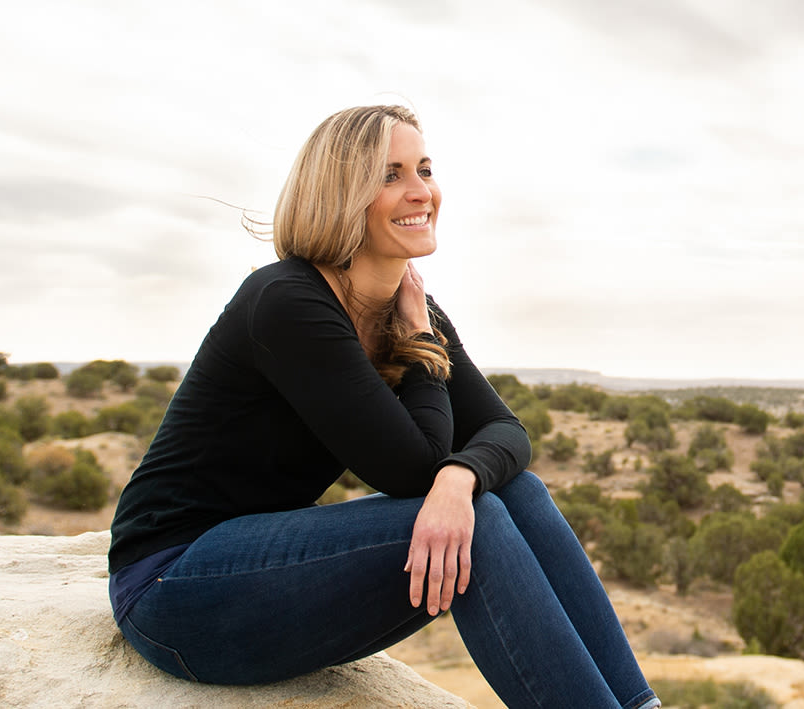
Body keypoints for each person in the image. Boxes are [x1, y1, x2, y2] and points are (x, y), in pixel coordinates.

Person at [107, 105, 657, 709]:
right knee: (483, 522)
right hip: (173, 584)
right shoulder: (287, 299)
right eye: (390, 175)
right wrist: (423, 355)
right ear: (340, 195)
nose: (421, 191)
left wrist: (461, 472)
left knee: (517, 494)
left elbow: (507, 432)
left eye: (424, 168)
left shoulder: (409, 304)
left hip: (257, 569)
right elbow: (408, 470)